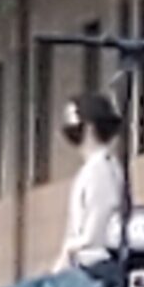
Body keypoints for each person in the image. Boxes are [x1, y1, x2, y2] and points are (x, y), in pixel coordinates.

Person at [55, 91, 126, 276]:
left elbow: (94, 233)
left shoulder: (101, 169)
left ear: (89, 128)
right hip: (86, 266)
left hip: (96, 267)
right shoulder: (94, 168)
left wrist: (70, 250)